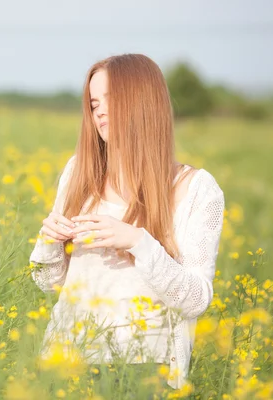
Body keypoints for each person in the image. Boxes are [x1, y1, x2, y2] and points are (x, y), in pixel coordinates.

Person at [29, 54, 225, 391]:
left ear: (144, 103)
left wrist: (138, 242)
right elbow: (49, 283)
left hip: (147, 368)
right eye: (93, 104)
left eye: (110, 100)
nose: (99, 112)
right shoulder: (79, 173)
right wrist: (50, 241)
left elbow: (196, 299)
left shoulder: (196, 189)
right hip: (67, 360)